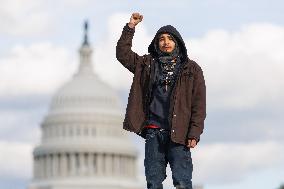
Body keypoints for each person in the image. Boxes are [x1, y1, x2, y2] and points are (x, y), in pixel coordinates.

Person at [116, 13, 206, 189]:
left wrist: (194, 133)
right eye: (161, 39)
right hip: (153, 133)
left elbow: (199, 104)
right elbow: (123, 54)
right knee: (153, 183)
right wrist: (130, 27)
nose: (166, 42)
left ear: (177, 42)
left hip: (179, 134)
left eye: (170, 39)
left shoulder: (192, 69)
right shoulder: (147, 64)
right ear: (156, 44)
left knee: (182, 182)